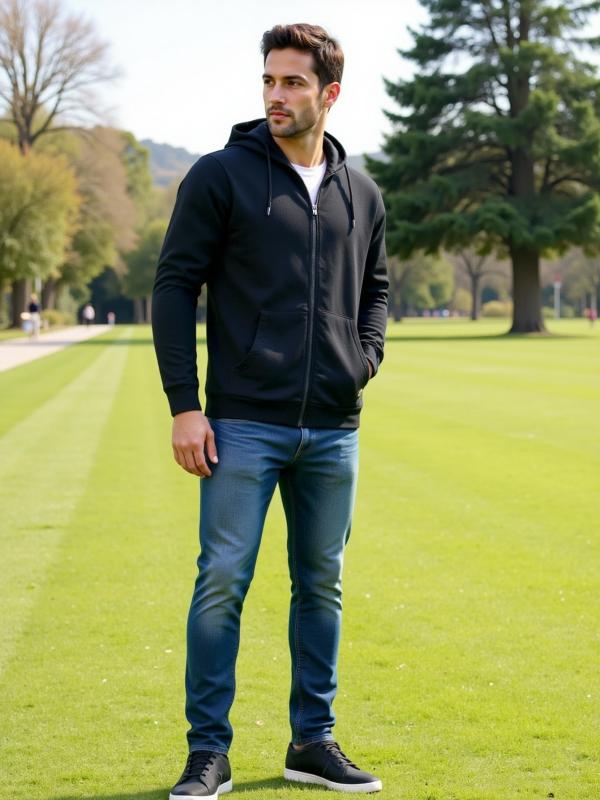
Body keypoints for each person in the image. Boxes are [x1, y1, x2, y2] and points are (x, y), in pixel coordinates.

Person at [152, 23, 388, 800]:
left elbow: (376, 289)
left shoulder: (361, 192)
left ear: (330, 94)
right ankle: (207, 754)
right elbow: (174, 286)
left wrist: (363, 360)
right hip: (242, 422)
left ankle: (312, 743)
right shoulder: (221, 176)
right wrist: (185, 406)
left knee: (322, 584)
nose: (275, 95)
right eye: (268, 80)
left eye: (292, 83)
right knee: (222, 579)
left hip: (334, 428)